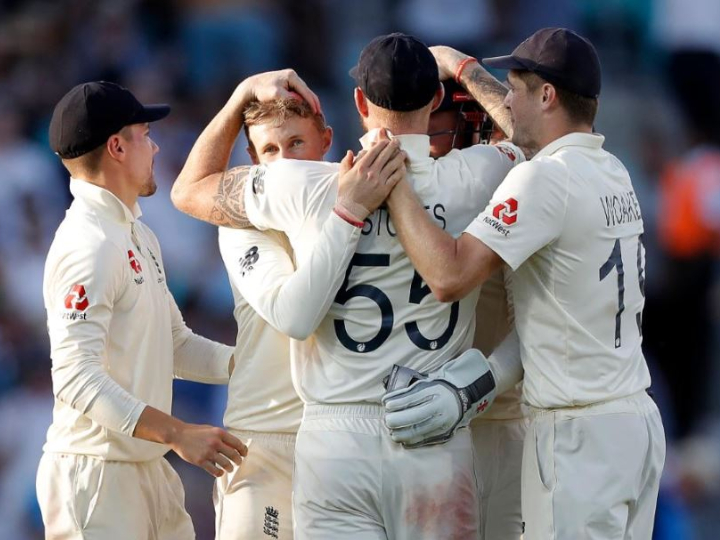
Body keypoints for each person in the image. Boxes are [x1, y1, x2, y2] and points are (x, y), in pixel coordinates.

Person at [172, 33, 524, 540]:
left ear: (359, 104)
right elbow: (541, 149)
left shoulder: (304, 184)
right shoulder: (475, 177)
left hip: (335, 440)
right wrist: (464, 66)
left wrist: (242, 94)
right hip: (434, 433)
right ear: (436, 99)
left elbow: (189, 188)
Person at [380, 28, 666, 539]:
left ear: (548, 95)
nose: (506, 101)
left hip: (578, 436)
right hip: (635, 421)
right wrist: (467, 69)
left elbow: (449, 277)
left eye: (515, 88)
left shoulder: (544, 179)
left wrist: (394, 176)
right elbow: (552, 322)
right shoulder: (611, 169)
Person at [38, 81, 248, 540]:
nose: (155, 147)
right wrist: (177, 433)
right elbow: (75, 377)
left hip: (146, 470)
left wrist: (254, 363)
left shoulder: (135, 233)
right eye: (145, 134)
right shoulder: (88, 244)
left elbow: (174, 344)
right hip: (98, 478)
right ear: (116, 146)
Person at [213, 79, 353, 539]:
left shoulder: (360, 196)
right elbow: (293, 318)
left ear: (326, 141)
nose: (286, 161)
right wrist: (239, 97)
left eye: (297, 143)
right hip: (263, 441)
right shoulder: (239, 221)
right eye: (270, 151)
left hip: (342, 438)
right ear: (252, 163)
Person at [429, 80, 528, 540]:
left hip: (495, 424)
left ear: (468, 124)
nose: (416, 139)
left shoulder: (510, 184)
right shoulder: (377, 178)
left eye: (431, 124)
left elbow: (538, 149)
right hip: (418, 432)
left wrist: (465, 69)